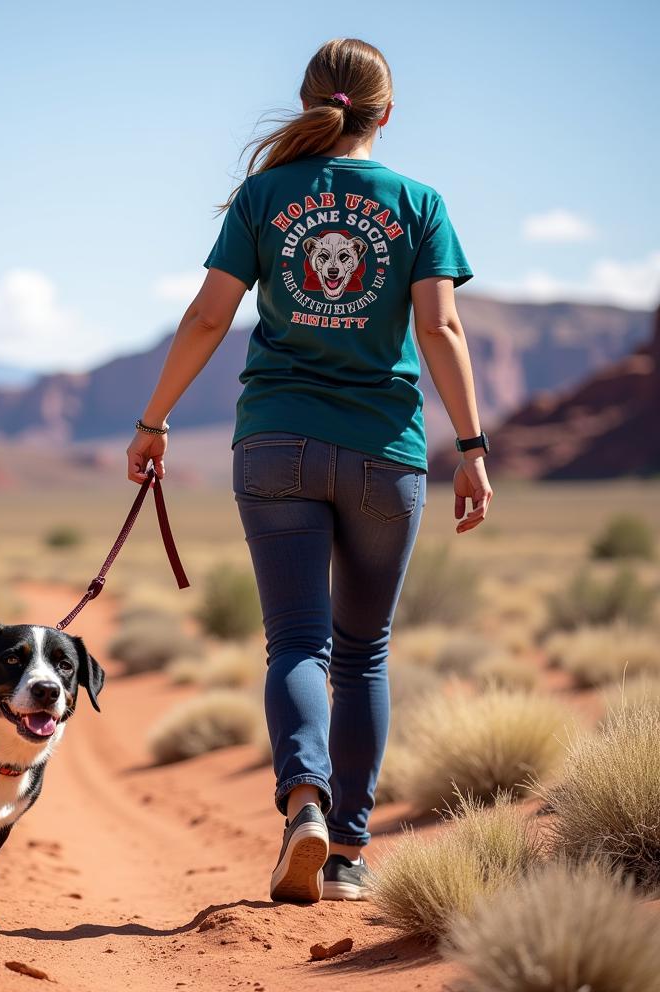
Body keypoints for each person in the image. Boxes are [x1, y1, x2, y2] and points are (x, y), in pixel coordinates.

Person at [126, 38, 492, 903]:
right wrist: (472, 449)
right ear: (386, 113)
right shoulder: (419, 202)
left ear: (308, 104)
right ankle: (349, 857)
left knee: (296, 641)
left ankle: (303, 802)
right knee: (363, 654)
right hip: (384, 451)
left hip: (276, 443)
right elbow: (440, 331)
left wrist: (153, 419)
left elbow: (210, 316)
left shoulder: (264, 196)